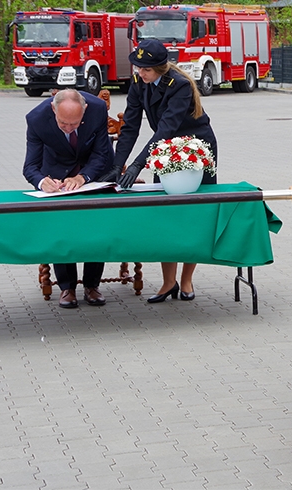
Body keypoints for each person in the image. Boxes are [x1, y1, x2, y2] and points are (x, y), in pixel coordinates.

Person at [99, 38, 218, 303]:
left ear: (161, 68)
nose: (140, 73)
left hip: (194, 148)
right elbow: (130, 126)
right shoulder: (139, 83)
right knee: (166, 214)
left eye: (146, 69)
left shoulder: (181, 85)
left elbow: (165, 129)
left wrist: (139, 163)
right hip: (164, 149)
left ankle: (186, 280)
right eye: (138, 67)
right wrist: (119, 165)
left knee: (191, 214)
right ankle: (168, 283)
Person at [23, 89, 113, 308]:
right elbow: (30, 167)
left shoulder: (98, 109)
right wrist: (42, 181)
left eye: (75, 124)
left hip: (92, 172)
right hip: (56, 174)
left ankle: (92, 285)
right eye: (63, 123)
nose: (69, 128)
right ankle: (67, 288)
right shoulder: (36, 119)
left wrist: (83, 177)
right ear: (53, 109)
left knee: (95, 227)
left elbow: (103, 153)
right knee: (61, 228)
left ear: (85, 111)